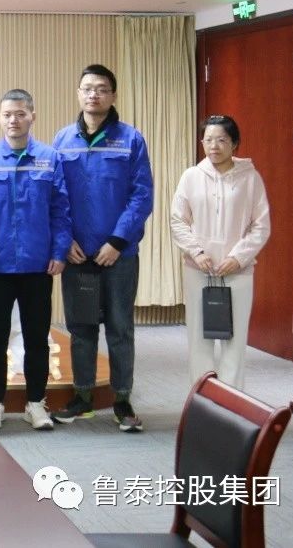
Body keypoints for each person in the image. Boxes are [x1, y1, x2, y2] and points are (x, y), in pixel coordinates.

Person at [52, 63, 153, 432]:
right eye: (87, 88)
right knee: (80, 329)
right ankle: (82, 397)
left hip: (118, 255)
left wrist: (117, 241)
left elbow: (141, 196)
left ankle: (122, 401)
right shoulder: (62, 140)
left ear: (113, 95)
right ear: (79, 93)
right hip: (77, 254)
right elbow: (56, 196)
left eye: (101, 89)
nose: (93, 94)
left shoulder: (130, 139)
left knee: (120, 328)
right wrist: (66, 241)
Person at [0, 90, 71, 431]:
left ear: (32, 116)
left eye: (20, 114)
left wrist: (59, 251)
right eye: (7, 115)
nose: (13, 120)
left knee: (36, 338)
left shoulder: (49, 158)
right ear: (0, 118)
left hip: (37, 265)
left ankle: (36, 402)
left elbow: (60, 210)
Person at [169, 115, 270, 390]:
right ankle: (202, 400)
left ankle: (232, 402)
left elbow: (261, 225)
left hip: (238, 272)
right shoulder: (191, 177)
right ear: (202, 142)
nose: (214, 146)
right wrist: (197, 252)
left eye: (222, 140)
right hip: (198, 270)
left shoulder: (250, 178)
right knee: (199, 339)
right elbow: (178, 220)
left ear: (234, 143)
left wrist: (238, 257)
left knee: (234, 341)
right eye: (209, 140)